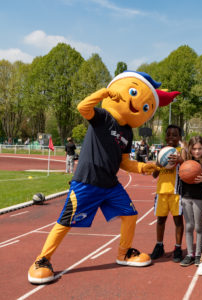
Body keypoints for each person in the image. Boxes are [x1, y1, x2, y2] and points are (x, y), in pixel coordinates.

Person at [27, 71, 177, 284]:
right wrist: (104, 92)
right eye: (134, 93)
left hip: (110, 185)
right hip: (86, 182)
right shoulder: (103, 118)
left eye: (146, 107)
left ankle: (123, 253)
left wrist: (147, 167)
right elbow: (82, 108)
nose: (138, 106)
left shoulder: (127, 132)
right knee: (66, 221)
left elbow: (125, 162)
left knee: (130, 214)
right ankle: (42, 259)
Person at [150, 125, 185, 263]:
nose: (171, 137)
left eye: (174, 135)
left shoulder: (181, 151)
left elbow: (188, 167)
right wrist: (159, 164)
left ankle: (177, 248)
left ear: (179, 138)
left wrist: (179, 161)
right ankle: (159, 245)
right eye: (168, 135)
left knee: (177, 221)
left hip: (176, 192)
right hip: (161, 191)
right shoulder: (161, 152)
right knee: (160, 220)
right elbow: (154, 175)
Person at [179, 136, 202, 267]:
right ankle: (190, 254)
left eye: (199, 148)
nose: (197, 151)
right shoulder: (186, 162)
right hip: (186, 197)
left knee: (199, 226)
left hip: (200, 197)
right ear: (190, 149)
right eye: (194, 149)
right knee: (189, 226)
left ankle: (199, 254)